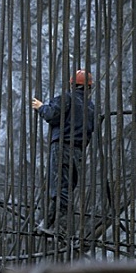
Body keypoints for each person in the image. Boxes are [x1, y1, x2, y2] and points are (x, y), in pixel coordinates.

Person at [31, 69, 95, 237]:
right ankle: (48, 223)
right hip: (79, 152)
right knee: (66, 187)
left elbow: (52, 115)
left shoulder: (67, 98)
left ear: (72, 85)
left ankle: (62, 229)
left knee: (58, 188)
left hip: (62, 148)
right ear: (89, 87)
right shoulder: (91, 107)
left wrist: (41, 107)